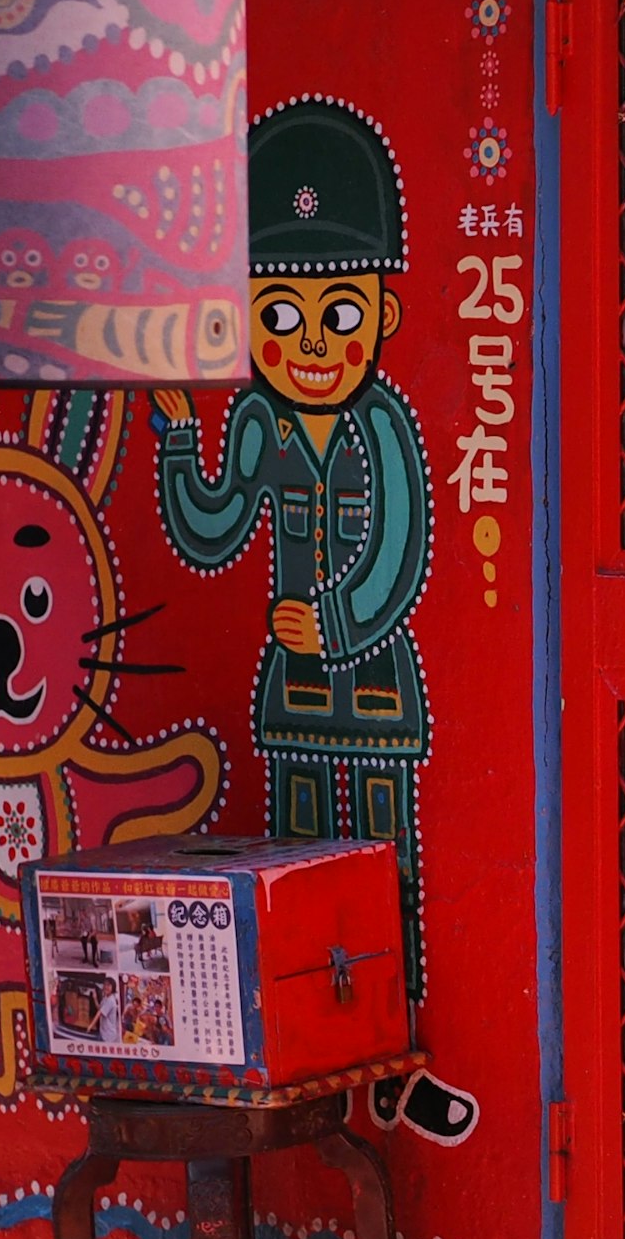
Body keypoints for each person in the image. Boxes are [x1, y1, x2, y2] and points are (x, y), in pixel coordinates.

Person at [152, 94, 478, 1145]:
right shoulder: (258, 418)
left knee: (386, 873)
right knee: (293, 880)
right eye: (278, 315)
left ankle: (398, 1059)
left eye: (337, 314)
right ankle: (312, 1062)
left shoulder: (384, 426)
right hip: (289, 705)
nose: (308, 343)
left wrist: (333, 625)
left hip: (374, 697)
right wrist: (174, 441)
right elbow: (212, 531)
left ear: (380, 317)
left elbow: (401, 552)